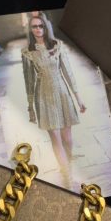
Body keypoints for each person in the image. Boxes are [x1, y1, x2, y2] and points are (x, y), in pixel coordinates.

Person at [21, 16, 86, 186]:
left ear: (45, 27)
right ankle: (67, 175)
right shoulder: (27, 52)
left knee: (67, 139)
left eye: (40, 26)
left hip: (62, 92)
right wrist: (30, 106)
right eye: (34, 26)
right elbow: (29, 81)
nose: (38, 29)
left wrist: (78, 99)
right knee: (56, 139)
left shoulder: (57, 46)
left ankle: (68, 164)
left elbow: (68, 72)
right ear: (30, 29)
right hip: (43, 96)